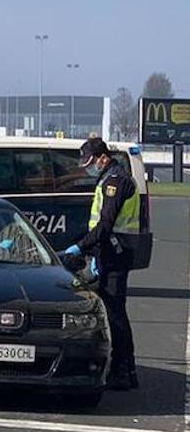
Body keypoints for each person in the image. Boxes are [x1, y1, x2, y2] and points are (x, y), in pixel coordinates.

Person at [61, 137, 141, 390]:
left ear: (103, 158)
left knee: (116, 314)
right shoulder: (108, 178)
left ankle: (123, 372)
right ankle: (125, 370)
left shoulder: (116, 182)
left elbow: (105, 224)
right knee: (113, 311)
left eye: (90, 162)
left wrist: (81, 247)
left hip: (116, 253)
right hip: (110, 253)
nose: (88, 168)